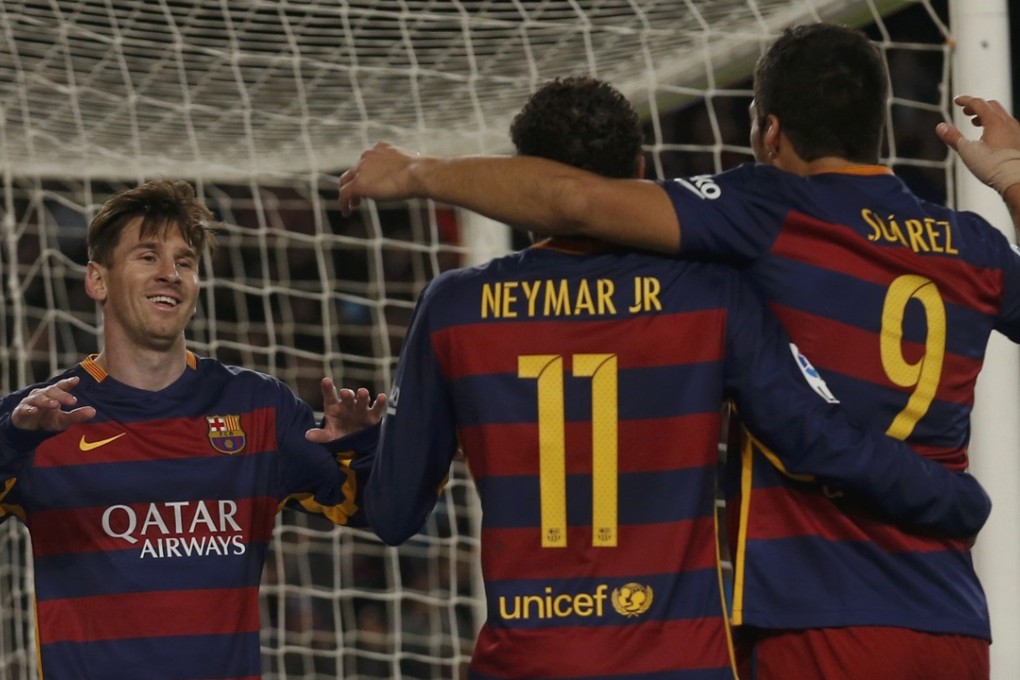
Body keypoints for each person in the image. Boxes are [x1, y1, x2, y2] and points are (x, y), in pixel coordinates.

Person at [337, 25, 1020, 680]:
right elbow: (814, 435)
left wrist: (418, 171)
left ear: (771, 131)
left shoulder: (759, 218)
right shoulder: (970, 249)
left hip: (810, 619)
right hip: (945, 617)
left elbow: (574, 200)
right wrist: (1014, 179)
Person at [0, 179, 385, 680]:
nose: (170, 274)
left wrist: (363, 447)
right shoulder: (40, 418)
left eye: (184, 262)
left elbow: (376, 512)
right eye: (147, 257)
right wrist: (13, 440)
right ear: (98, 280)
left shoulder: (257, 408)